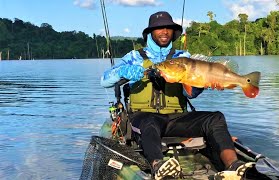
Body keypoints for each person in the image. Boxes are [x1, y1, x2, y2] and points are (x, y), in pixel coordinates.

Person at [101, 11, 254, 180]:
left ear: (173, 32)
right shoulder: (134, 57)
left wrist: (204, 84)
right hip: (143, 117)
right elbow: (104, 81)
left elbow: (190, 93)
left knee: (215, 118)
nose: (164, 31)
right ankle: (159, 166)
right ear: (150, 32)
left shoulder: (183, 58)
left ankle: (234, 165)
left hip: (177, 118)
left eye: (168, 28)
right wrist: (123, 71)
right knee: (149, 122)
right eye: (159, 28)